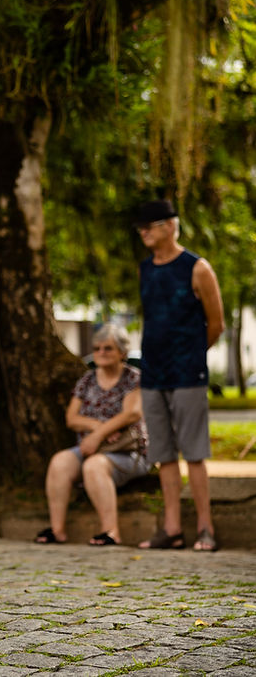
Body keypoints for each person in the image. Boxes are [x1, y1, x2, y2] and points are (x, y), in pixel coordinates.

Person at [134, 200, 224, 551]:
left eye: (150, 225)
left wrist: (192, 357)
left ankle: (206, 529)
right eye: (140, 227)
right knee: (164, 453)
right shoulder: (145, 269)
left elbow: (215, 325)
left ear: (171, 225)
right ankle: (171, 529)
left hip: (188, 374)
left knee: (195, 452)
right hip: (152, 374)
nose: (143, 232)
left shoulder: (197, 268)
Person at [35, 324, 148, 546]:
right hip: (91, 447)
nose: (101, 353)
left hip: (128, 451)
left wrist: (98, 435)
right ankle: (57, 530)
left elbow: (131, 413)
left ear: (122, 353)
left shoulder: (133, 378)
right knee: (59, 462)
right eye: (97, 348)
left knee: (94, 466)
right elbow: (72, 418)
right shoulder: (87, 380)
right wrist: (99, 427)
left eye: (108, 348)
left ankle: (110, 531)